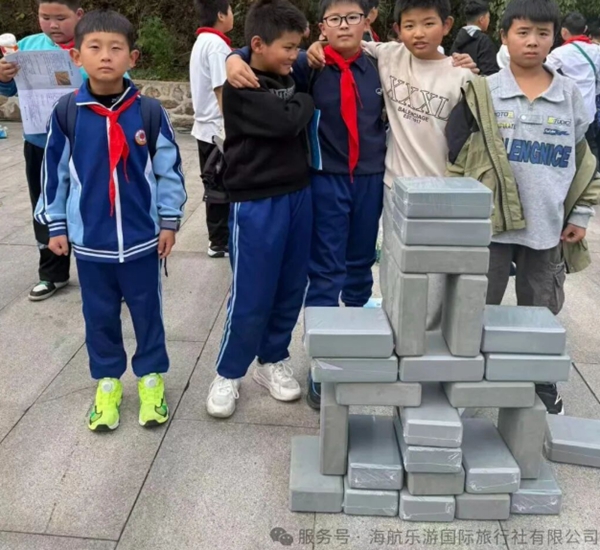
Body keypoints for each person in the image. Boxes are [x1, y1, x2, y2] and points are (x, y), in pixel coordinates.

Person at [303, 0, 476, 407]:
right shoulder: (331, 62)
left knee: (385, 272)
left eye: (353, 17)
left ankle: (376, 349)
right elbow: (271, 53)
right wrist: (236, 57)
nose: (418, 32)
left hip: (407, 188)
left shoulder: (445, 72)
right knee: (329, 269)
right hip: (359, 181)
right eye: (410, 25)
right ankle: (322, 359)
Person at [35, 9, 187, 431]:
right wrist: (56, 225)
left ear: (132, 58)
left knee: (147, 312)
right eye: (95, 47)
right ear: (76, 57)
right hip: (90, 244)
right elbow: (55, 174)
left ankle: (151, 377)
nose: (106, 56)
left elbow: (169, 171)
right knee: (98, 315)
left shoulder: (149, 113)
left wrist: (169, 221)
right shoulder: (67, 113)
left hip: (142, 241)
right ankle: (107, 382)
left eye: (116, 48)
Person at [446, 0, 600, 415]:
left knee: (541, 308)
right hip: (490, 226)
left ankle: (538, 378)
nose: (532, 41)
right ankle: (468, 375)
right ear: (504, 36)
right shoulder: (484, 91)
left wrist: (581, 214)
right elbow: (458, 156)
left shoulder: (569, 95)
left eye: (542, 33)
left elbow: (583, 159)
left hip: (547, 227)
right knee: (477, 303)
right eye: (523, 32)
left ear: (554, 39)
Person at [205, 0, 314, 419]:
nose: (293, 55)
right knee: (252, 292)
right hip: (255, 200)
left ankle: (272, 360)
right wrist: (305, 101)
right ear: (258, 44)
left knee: (290, 286)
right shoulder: (240, 84)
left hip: (298, 193)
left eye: (296, 47)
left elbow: (315, 57)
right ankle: (229, 372)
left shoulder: (291, 68)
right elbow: (286, 122)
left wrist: (236, 53)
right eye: (287, 47)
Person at [0, 0, 84, 301]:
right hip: (41, 144)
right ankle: (52, 273)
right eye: (45, 17)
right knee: (45, 205)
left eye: (60, 17)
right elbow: (9, 88)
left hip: (86, 144)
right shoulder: (26, 47)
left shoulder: (94, 43)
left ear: (78, 15)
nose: (52, 25)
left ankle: (105, 272)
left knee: (93, 204)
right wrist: (4, 76)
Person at [190, 0, 234, 258]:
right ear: (220, 14)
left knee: (214, 183)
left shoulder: (202, 41)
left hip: (205, 128)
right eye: (230, 10)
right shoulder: (216, 45)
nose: (232, 15)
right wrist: (233, 128)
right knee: (219, 186)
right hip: (217, 130)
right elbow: (221, 90)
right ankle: (219, 242)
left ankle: (218, 239)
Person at [546, 12, 600, 165]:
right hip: (589, 111)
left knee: (566, 148)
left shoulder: (558, 54)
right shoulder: (596, 51)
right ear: (585, 29)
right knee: (590, 147)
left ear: (564, 32)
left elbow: (544, 76)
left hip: (566, 111)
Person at [450, 0, 499, 75]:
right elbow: (491, 73)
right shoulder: (484, 41)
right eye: (488, 17)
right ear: (482, 20)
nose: (489, 20)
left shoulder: (458, 39)